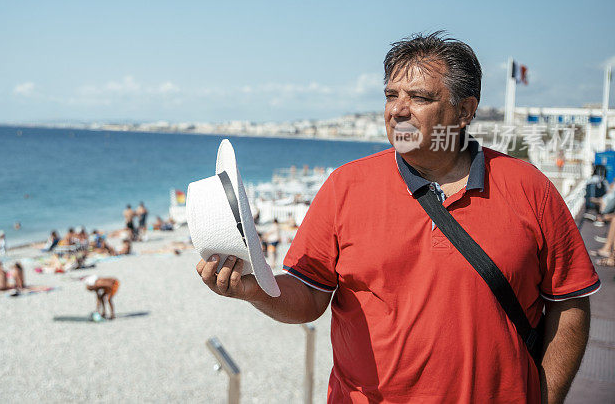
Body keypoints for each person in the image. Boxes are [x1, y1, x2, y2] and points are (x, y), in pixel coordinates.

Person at [196, 32, 600, 403]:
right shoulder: (346, 186)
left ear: (465, 110)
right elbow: (309, 295)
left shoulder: (528, 187)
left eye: (420, 97)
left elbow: (569, 303)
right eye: (391, 95)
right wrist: (253, 289)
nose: (398, 111)